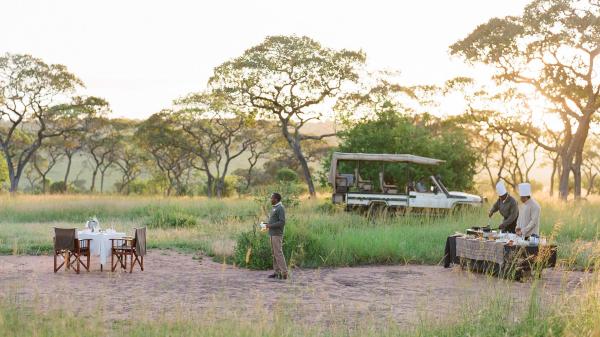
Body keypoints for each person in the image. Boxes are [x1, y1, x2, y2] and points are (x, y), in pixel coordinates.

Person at [264, 192, 287, 280]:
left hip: (277, 234)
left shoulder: (280, 208)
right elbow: (274, 221)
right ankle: (277, 272)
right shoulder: (275, 208)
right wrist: (266, 225)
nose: (271, 199)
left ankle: (284, 273)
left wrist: (270, 226)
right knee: (274, 254)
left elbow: (282, 222)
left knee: (278, 253)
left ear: (276, 199)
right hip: (272, 233)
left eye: (272, 198)